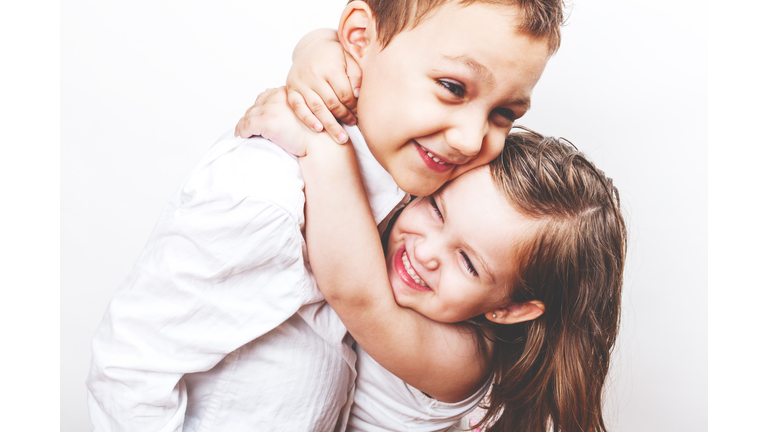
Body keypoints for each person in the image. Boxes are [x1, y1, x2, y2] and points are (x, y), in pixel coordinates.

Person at [86, 0, 563, 430]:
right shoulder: (265, 199)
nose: (469, 138)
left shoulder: (431, 192)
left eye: (504, 113)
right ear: (357, 41)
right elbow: (129, 373)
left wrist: (316, 49)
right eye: (452, 87)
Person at [244, 88, 626, 432]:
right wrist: (315, 52)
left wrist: (321, 145)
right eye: (437, 211)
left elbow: (357, 295)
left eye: (468, 263)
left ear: (510, 309)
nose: (424, 252)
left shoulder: (463, 361)